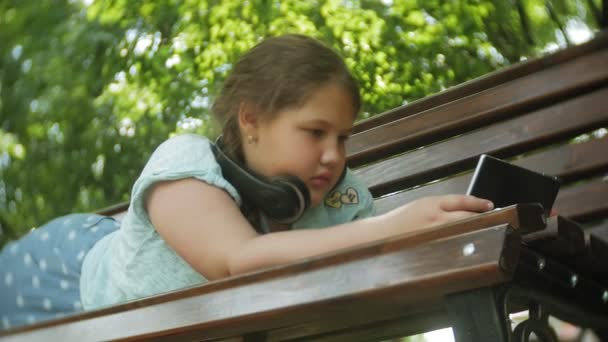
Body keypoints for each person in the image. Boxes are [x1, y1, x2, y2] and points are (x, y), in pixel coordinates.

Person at [0, 34, 493, 330]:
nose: (333, 154)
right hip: (62, 281)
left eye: (343, 136)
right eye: (315, 132)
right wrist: (392, 226)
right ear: (251, 120)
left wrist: (488, 225)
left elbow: (394, 251)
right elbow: (238, 260)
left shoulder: (337, 196)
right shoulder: (187, 162)